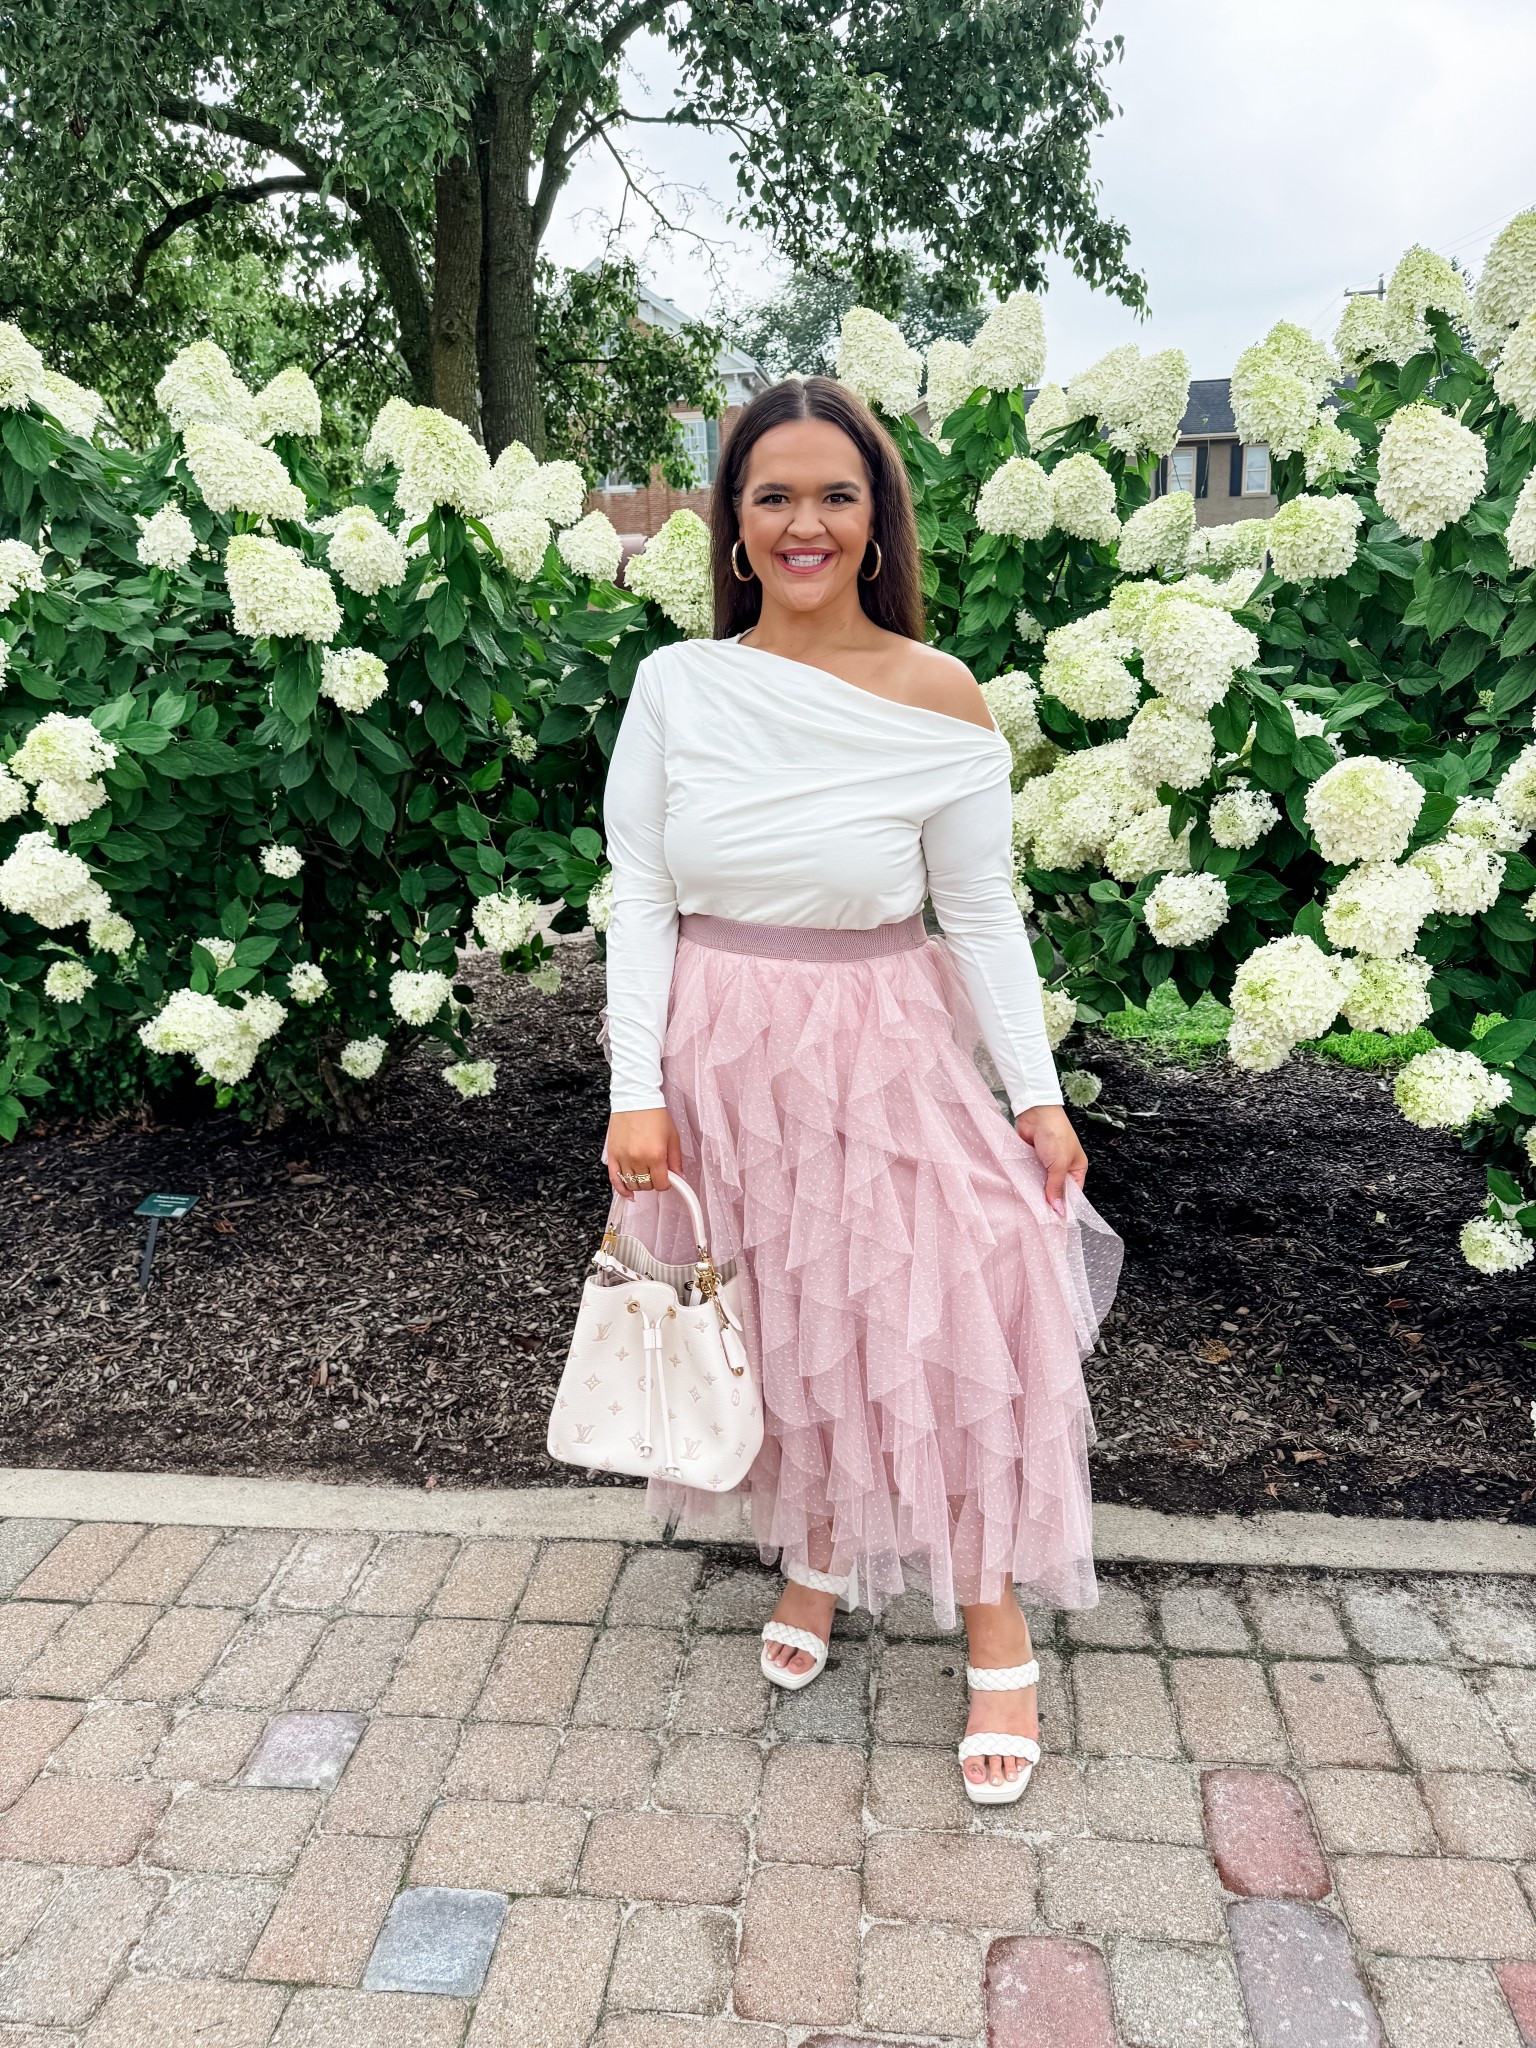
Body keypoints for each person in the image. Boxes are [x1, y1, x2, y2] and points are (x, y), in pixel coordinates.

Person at [598, 374, 1122, 1803]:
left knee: (954, 1303)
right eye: (773, 495)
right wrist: (633, 1086)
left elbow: (983, 914)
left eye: (836, 495)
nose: (805, 523)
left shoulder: (937, 694)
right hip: (719, 1050)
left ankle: (995, 1622)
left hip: (883, 1042)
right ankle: (820, 1551)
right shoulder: (679, 686)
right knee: (787, 1311)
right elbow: (639, 891)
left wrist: (1036, 1096)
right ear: (733, 522)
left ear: (877, 518)